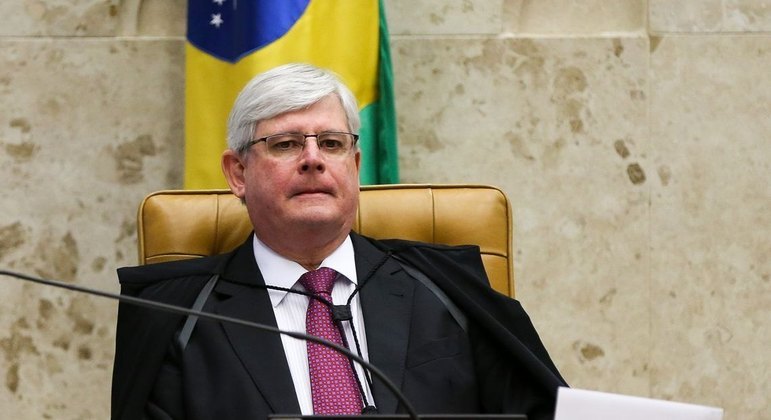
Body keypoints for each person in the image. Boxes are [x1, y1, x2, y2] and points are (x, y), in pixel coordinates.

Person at [111, 63, 567, 420]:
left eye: (331, 143)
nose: (313, 159)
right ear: (238, 173)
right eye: (286, 144)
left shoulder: (446, 288)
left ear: (356, 165)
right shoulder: (176, 316)